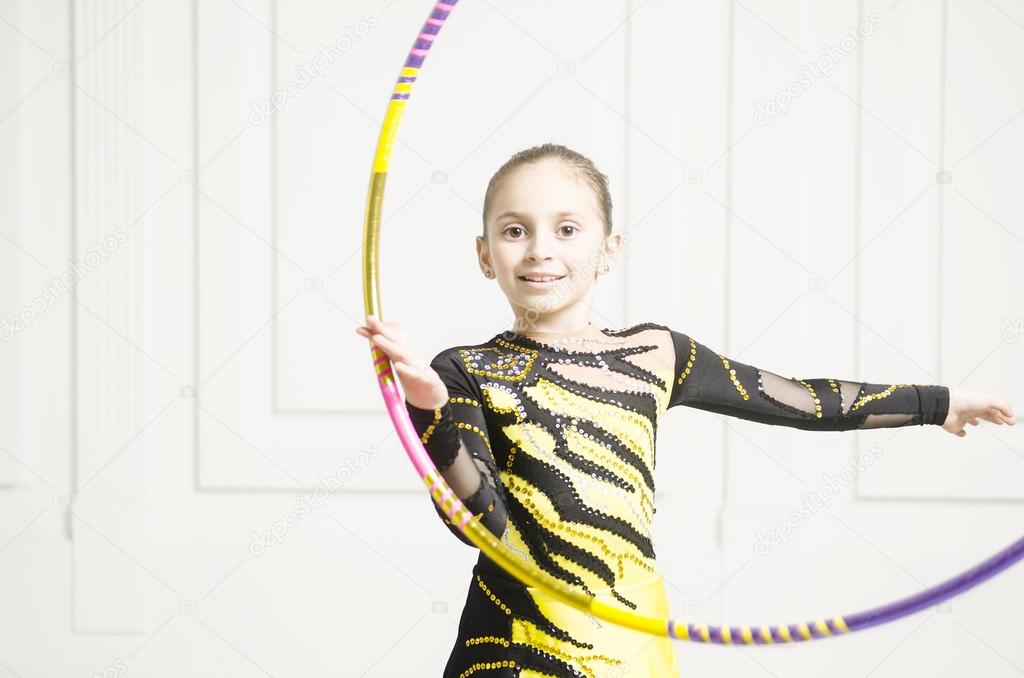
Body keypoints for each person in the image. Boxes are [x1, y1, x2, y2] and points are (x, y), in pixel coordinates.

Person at [355, 143, 1016, 677]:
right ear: (483, 254)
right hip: (514, 639)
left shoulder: (655, 353)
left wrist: (939, 404)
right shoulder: (464, 370)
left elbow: (800, 399)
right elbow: (482, 524)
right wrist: (431, 410)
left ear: (609, 248)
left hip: (630, 630)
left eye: (566, 229)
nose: (539, 249)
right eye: (513, 230)